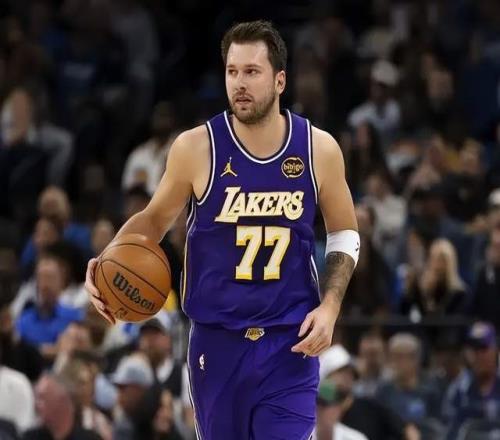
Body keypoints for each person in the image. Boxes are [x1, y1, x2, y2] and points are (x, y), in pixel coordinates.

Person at [86, 20, 359, 439]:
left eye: (252, 71)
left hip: (290, 341)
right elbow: (154, 219)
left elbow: (344, 234)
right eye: (232, 71)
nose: (239, 83)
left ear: (280, 80)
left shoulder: (317, 149)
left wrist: (331, 306)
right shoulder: (196, 147)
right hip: (217, 343)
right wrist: (108, 258)